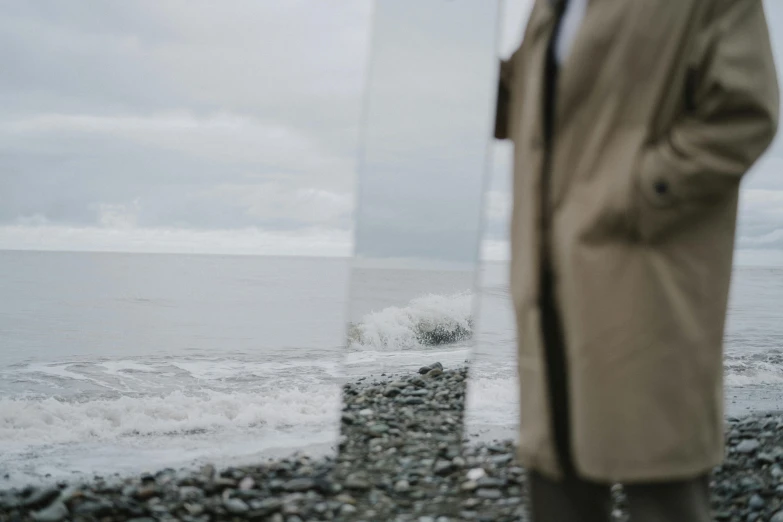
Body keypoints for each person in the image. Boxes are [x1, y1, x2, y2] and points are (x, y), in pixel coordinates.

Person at [494, 0, 779, 520]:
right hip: (547, 279)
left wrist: (636, 193)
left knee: (660, 481)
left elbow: (743, 112)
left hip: (646, 275)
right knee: (556, 475)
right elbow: (523, 98)